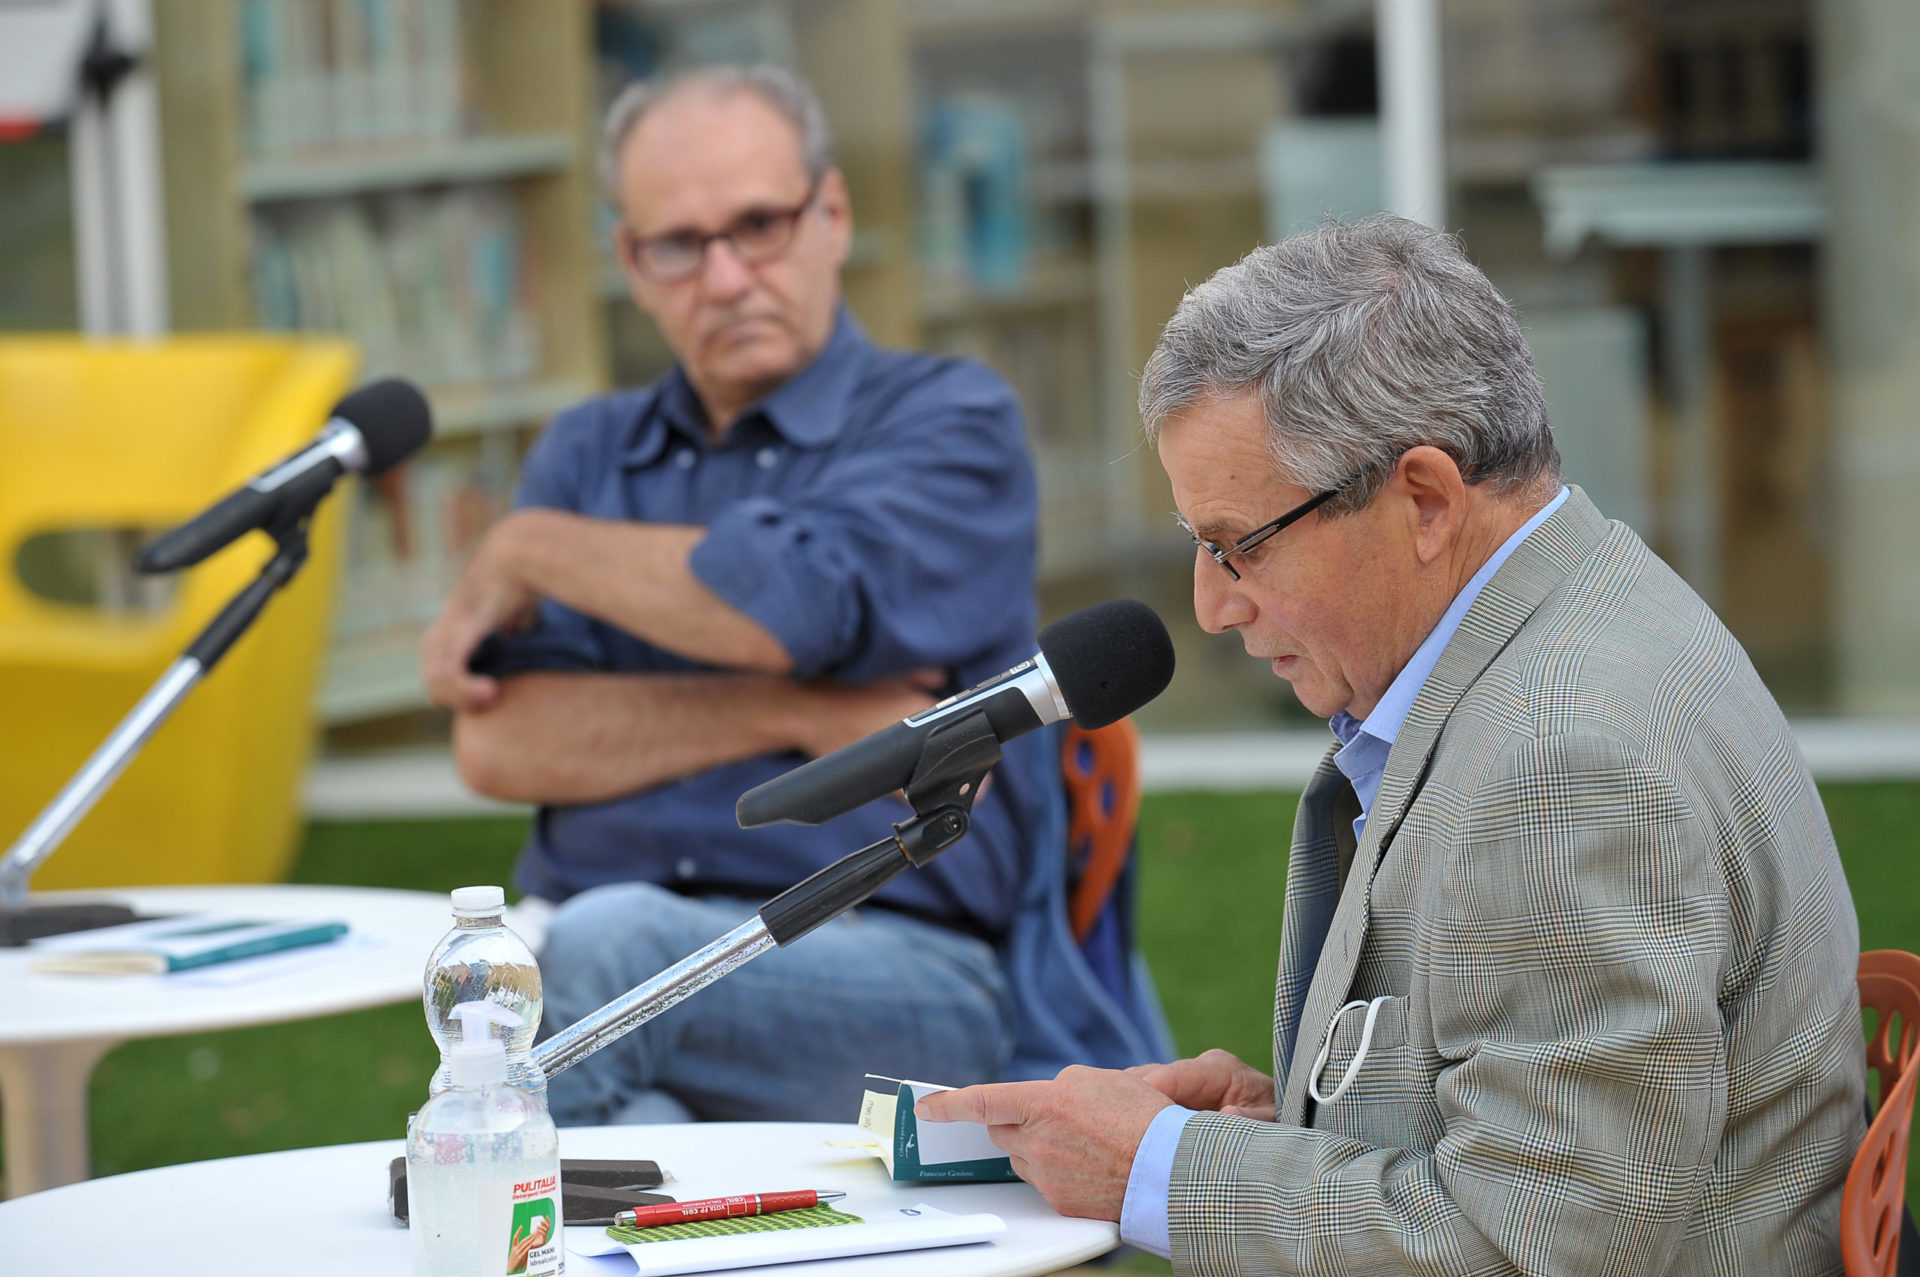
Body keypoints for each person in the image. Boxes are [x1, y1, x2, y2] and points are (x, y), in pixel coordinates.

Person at [918, 215, 1866, 1275]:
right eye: (1198, 544)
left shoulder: (1560, 762)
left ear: (1422, 498)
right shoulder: (1594, 607)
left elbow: (1535, 1249)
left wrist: (1167, 1170)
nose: (1212, 605)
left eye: (1240, 545)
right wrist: (1288, 1129)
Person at [419, 64, 1064, 1126]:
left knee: (601, 947)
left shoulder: (950, 419)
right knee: (639, 1125)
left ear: (834, 215)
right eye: (679, 244)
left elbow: (791, 608)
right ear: (631, 260)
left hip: (899, 970)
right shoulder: (588, 455)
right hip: (619, 982)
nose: (724, 279)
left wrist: (529, 544)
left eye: (759, 224)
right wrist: (801, 715)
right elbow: (501, 743)